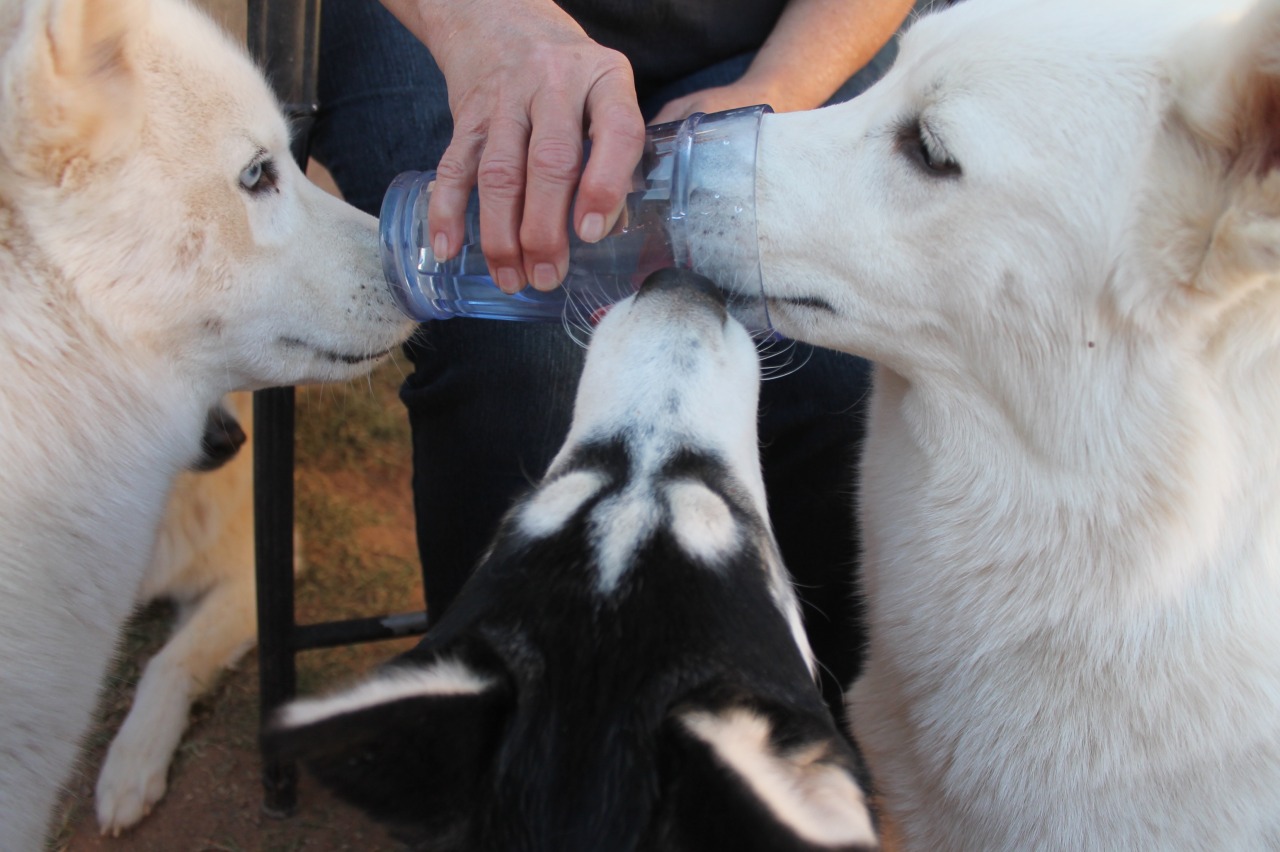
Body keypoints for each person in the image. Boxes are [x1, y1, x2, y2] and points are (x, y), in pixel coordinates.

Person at [309, 0, 930, 720]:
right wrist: (487, 22)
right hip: (437, 23)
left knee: (833, 364)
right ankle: (500, 751)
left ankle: (800, 742)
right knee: (521, 354)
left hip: (770, 30)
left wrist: (782, 86)